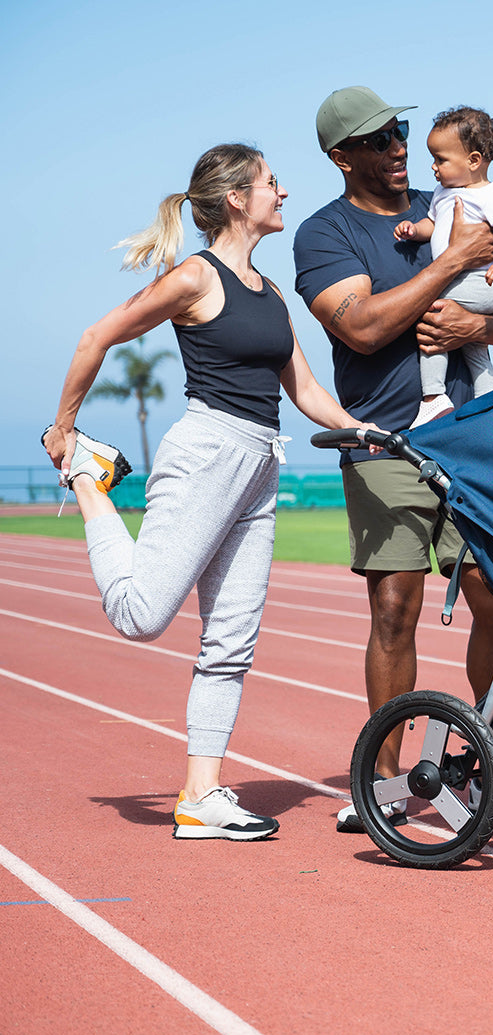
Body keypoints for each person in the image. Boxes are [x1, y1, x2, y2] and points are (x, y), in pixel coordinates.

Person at [42, 143, 378, 841]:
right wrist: (64, 429)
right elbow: (97, 335)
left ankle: (201, 797)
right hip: (205, 453)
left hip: (259, 462)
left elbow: (307, 390)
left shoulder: (271, 292)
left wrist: (359, 427)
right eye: (271, 183)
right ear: (236, 199)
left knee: (231, 642)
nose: (282, 193)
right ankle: (88, 481)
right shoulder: (195, 277)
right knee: (141, 616)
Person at [293, 86, 493, 830]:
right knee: (394, 607)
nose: (398, 148)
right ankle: (382, 784)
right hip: (384, 440)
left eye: (402, 133)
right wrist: (446, 270)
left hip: (472, 439)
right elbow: (363, 328)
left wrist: (466, 325)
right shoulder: (325, 236)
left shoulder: (455, 193)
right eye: (378, 139)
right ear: (339, 156)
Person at [394, 106, 493, 427]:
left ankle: (433, 397)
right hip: (473, 288)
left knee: (431, 317)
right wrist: (414, 230)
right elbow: (431, 225)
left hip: (480, 282)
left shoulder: (492, 196)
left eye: (441, 159)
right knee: (476, 352)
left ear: (474, 161)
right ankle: (489, 403)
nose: (434, 167)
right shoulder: (443, 193)